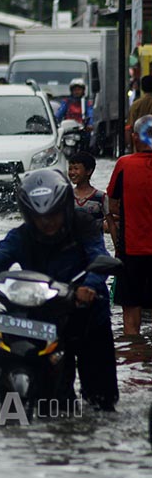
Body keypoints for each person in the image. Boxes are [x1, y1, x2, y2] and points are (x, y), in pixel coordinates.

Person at [0, 169, 119, 411]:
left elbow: (99, 257)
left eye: (53, 215)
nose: (47, 222)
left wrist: (88, 288)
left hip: (88, 315)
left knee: (102, 400)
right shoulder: (21, 236)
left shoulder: (84, 225)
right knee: (58, 400)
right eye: (40, 217)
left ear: (65, 208)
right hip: (46, 318)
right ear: (28, 214)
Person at [106, 115, 152, 336]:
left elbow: (111, 204)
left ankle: (134, 356)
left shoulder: (124, 164)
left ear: (135, 137)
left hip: (132, 250)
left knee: (131, 313)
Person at [67, 151, 117, 247]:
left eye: (76, 169)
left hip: (95, 247)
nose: (72, 173)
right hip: (72, 248)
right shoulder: (66, 196)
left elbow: (111, 224)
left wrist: (117, 250)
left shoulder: (101, 197)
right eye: (70, 169)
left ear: (89, 171)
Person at [126, 75, 152, 152]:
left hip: (139, 150)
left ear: (142, 88)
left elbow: (129, 128)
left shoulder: (135, 105)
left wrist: (130, 147)